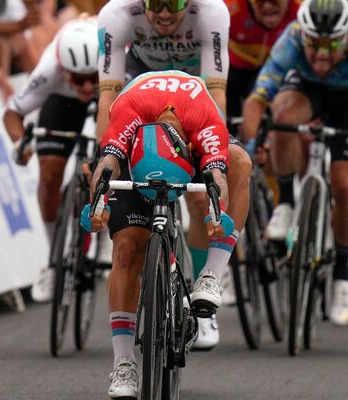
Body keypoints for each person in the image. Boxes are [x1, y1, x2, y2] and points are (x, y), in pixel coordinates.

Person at [97, 0, 253, 349]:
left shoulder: (212, 12)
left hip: (196, 97)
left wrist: (210, 155)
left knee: (214, 184)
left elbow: (216, 95)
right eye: (155, 5)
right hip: (139, 93)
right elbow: (106, 99)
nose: (165, 14)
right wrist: (103, 160)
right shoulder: (116, 14)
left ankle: (209, 278)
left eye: (175, 4)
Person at [242, 0, 348, 325]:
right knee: (283, 118)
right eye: (315, 45)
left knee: (345, 183)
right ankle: (286, 204)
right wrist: (255, 141)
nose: (323, 54)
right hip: (307, 89)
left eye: (331, 46)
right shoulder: (293, 37)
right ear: (304, 37)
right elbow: (257, 100)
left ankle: (342, 273)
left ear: (346, 37)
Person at [83, 70, 234, 399]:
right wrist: (97, 206)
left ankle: (211, 274)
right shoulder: (130, 108)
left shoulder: (203, 116)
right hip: (140, 160)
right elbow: (107, 162)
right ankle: (124, 362)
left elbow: (218, 175)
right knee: (125, 250)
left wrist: (215, 213)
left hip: (189, 149)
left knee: (238, 165)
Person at [2, 17, 99, 302]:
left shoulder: (116, 58)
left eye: (92, 77)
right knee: (49, 174)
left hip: (110, 94)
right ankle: (54, 258)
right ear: (63, 70)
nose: (85, 86)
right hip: (61, 101)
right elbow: (12, 113)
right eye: (78, 79)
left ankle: (104, 241)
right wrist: (21, 142)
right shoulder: (49, 70)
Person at [225, 0, 300, 120]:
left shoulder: (300, 7)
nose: (268, 5)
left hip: (273, 67)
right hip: (235, 67)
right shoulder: (230, 7)